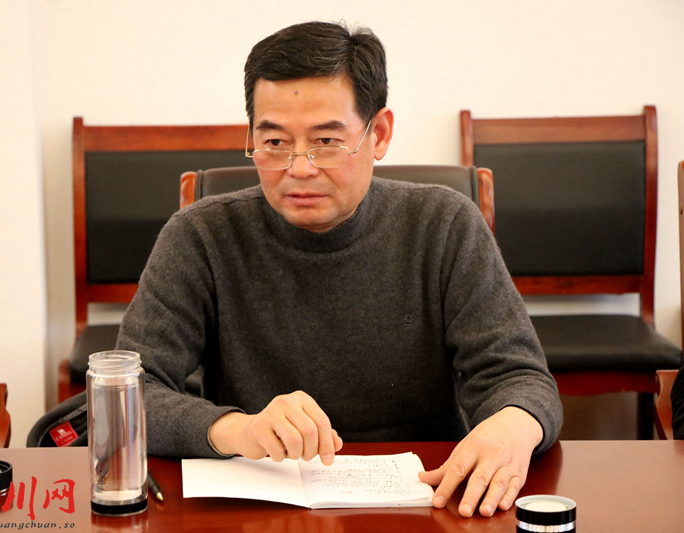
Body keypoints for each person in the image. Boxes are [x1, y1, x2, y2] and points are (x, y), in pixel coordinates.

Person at [116, 21, 563, 518]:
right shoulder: (201, 235)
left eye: (326, 140)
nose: (299, 168)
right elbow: (130, 392)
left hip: (427, 504)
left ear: (379, 134)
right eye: (275, 142)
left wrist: (513, 423)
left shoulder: (444, 225)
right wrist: (238, 429)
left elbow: (520, 376)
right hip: (260, 507)